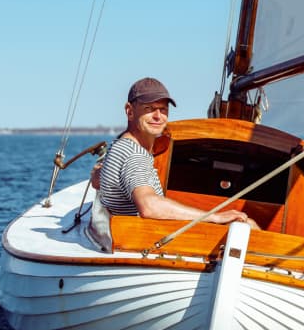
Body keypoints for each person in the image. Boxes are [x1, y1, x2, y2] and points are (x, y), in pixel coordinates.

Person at [95, 77, 258, 228]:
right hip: (142, 239)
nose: (158, 116)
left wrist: (99, 175)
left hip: (130, 232)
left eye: (163, 109)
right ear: (129, 111)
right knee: (247, 225)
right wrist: (214, 217)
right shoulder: (134, 155)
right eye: (149, 108)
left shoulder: (121, 146)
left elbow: (101, 181)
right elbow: (148, 206)